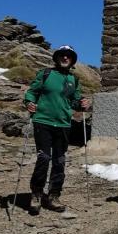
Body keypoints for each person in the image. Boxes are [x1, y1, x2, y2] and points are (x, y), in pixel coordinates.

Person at [24, 45, 90, 215]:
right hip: (43, 121)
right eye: (62, 55)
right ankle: (37, 194)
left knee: (59, 161)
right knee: (44, 158)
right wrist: (29, 102)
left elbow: (75, 101)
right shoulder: (45, 74)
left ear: (72, 60)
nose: (65, 58)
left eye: (69, 56)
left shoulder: (73, 80)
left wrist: (82, 103)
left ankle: (54, 196)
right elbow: (32, 92)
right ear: (57, 58)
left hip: (63, 124)